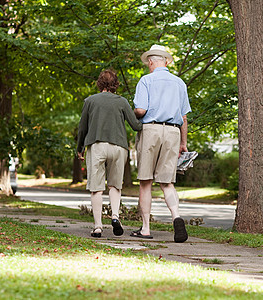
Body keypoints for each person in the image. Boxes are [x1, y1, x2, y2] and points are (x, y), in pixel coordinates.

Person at [131, 44, 191, 243]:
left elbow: (140, 110)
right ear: (166, 61)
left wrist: (133, 115)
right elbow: (183, 116)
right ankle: (177, 217)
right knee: (167, 182)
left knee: (145, 180)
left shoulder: (146, 81)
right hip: (173, 132)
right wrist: (183, 142)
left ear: (150, 62)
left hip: (152, 130)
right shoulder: (179, 83)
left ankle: (146, 228)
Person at [77, 69, 142, 238]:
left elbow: (82, 127)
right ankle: (115, 216)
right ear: (115, 84)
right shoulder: (122, 101)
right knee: (115, 185)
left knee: (96, 188)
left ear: (100, 83)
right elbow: (136, 125)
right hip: (119, 147)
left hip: (97, 145)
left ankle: (98, 227)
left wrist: (80, 147)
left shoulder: (90, 101)